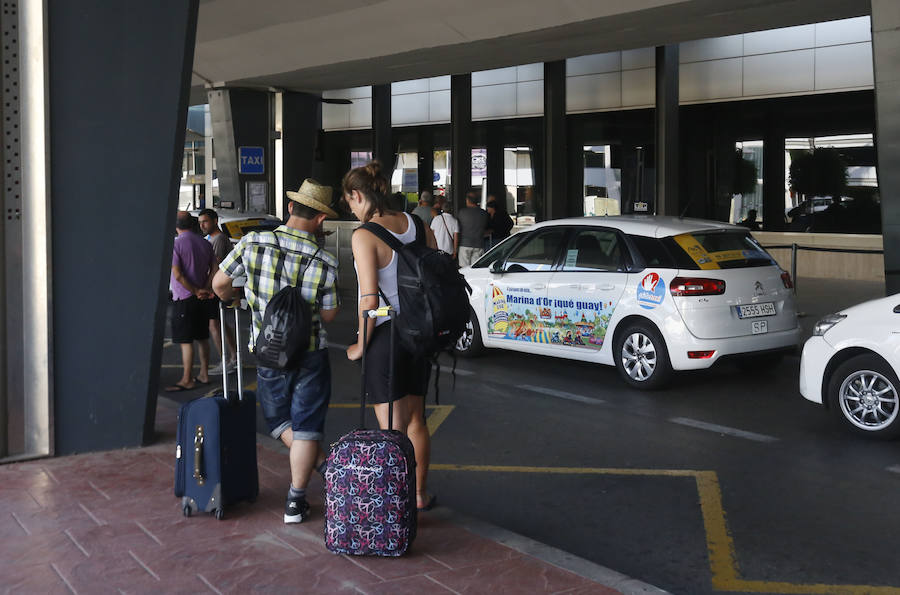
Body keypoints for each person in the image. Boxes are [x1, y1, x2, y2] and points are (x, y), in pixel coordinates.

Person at [213, 179, 340, 524]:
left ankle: (321, 470)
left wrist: (240, 300)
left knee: (278, 419)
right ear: (319, 220)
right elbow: (329, 315)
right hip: (311, 352)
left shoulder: (253, 242)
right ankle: (296, 501)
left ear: (290, 209)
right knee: (307, 424)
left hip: (268, 351)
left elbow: (220, 284)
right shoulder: (325, 260)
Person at [343, 161, 438, 512]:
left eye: (349, 202)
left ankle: (395, 506)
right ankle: (418, 494)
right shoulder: (420, 225)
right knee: (416, 419)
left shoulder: (364, 235)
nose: (351, 210)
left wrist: (359, 345)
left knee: (391, 428)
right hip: (421, 334)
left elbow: (370, 301)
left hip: (387, 336)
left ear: (358, 195)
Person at [167, 211, 218, 392]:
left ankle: (187, 379)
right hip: (202, 298)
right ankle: (204, 374)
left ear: (176, 226)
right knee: (202, 337)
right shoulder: (205, 243)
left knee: (186, 340)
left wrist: (195, 290)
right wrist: (204, 288)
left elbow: (178, 274)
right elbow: (215, 268)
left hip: (184, 298)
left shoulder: (175, 245)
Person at [197, 208, 238, 375]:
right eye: (200, 223)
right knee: (220, 323)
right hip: (215, 286)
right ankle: (233, 358)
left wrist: (206, 288)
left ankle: (226, 361)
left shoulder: (219, 239)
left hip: (215, 287)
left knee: (214, 325)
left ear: (215, 221)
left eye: (205, 221)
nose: (202, 225)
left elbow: (215, 266)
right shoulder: (209, 238)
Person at [456, 190, 489, 267]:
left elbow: (457, 227)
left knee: (464, 270)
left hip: (464, 244)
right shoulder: (483, 213)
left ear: (467, 200)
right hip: (479, 244)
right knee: (476, 269)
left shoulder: (462, 212)